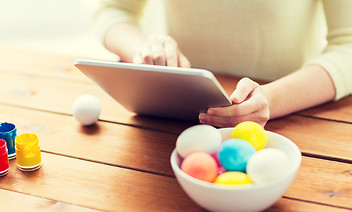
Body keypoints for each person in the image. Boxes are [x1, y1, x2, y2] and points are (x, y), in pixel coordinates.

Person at [93, 0, 352, 127]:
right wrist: (144, 51)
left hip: (284, 124)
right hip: (170, 120)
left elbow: (348, 46)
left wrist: (272, 100)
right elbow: (113, 9)